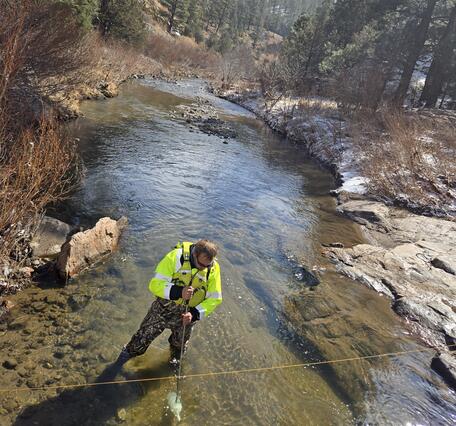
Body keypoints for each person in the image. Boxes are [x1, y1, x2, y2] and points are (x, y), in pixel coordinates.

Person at [109, 240, 222, 374]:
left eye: (207, 266)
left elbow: (215, 298)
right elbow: (155, 285)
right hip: (162, 309)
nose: (203, 269)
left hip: (187, 316)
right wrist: (179, 291)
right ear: (195, 254)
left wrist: (195, 314)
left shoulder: (212, 267)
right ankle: (117, 366)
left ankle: (172, 367)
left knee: (178, 347)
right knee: (141, 339)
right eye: (201, 264)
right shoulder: (175, 257)